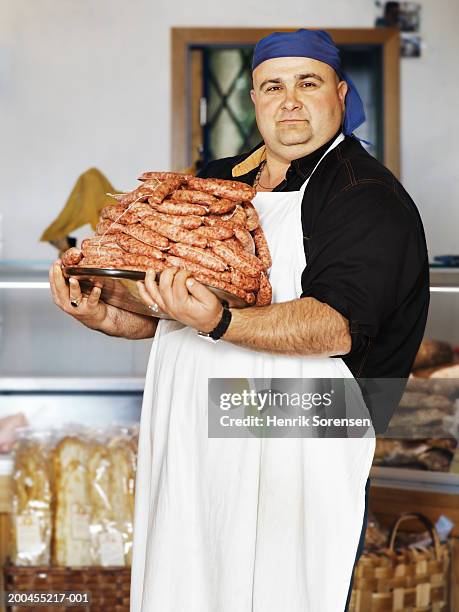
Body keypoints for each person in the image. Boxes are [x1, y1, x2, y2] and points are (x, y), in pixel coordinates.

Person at [49, 28, 429, 612]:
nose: (290, 100)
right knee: (189, 579)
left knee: (274, 586)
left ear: (340, 93)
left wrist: (222, 323)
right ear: (254, 100)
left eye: (309, 82)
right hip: (192, 428)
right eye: (272, 86)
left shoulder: (364, 194)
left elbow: (335, 326)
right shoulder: (215, 181)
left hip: (298, 428)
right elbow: (171, 313)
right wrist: (110, 313)